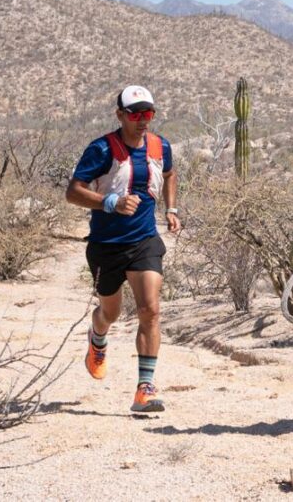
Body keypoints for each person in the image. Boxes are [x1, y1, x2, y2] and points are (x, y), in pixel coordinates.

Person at [65, 85, 181, 412]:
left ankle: (145, 388)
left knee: (151, 309)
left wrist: (171, 210)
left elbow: (170, 175)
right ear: (120, 115)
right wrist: (109, 202)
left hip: (144, 240)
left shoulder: (161, 146)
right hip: (105, 245)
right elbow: (73, 192)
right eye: (135, 114)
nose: (143, 120)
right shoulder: (101, 149)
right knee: (110, 313)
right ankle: (97, 338)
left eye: (149, 114)